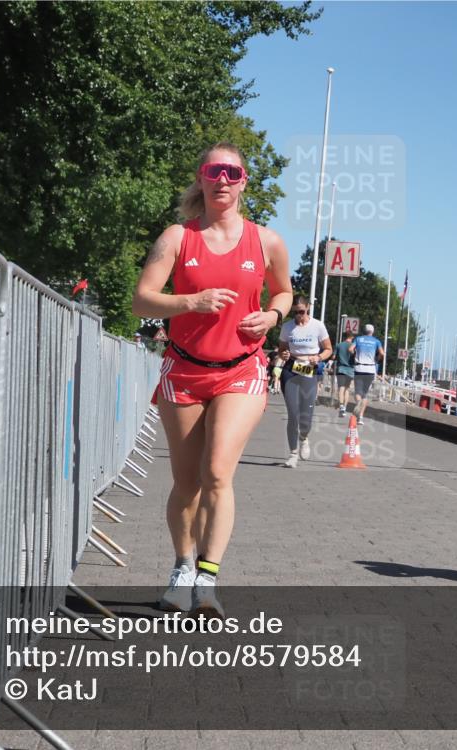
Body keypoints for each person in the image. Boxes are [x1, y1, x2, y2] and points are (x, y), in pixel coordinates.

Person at [132, 142, 293, 617]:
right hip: (183, 369)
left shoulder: (266, 241)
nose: (222, 179)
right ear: (201, 179)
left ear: (244, 181)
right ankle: (182, 568)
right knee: (186, 483)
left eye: (232, 172)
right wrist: (189, 302)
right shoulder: (178, 237)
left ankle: (207, 579)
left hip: (241, 370)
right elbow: (142, 300)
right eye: (212, 171)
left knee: (217, 472)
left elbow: (284, 291)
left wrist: (272, 314)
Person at [277, 296, 332, 468]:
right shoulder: (287, 327)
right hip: (291, 368)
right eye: (296, 312)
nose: (299, 316)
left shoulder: (317, 326)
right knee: (293, 414)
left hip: (309, 368)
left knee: (305, 415)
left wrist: (319, 357)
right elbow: (281, 349)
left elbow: (329, 349)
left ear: (308, 308)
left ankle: (304, 437)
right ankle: (293, 453)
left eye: (301, 311)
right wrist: (283, 354)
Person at [350, 323, 385, 426]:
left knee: (358, 391)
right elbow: (382, 353)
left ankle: (358, 403)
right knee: (365, 393)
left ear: (364, 331)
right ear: (372, 332)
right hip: (370, 369)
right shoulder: (376, 341)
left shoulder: (358, 339)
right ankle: (360, 417)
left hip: (359, 367)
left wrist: (355, 355)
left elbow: (350, 349)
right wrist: (376, 360)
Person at [335, 331, 356, 417]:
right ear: (352, 337)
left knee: (341, 388)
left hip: (341, 369)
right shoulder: (353, 346)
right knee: (347, 389)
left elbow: (333, 357)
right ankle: (345, 408)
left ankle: (341, 406)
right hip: (350, 370)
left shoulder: (339, 345)